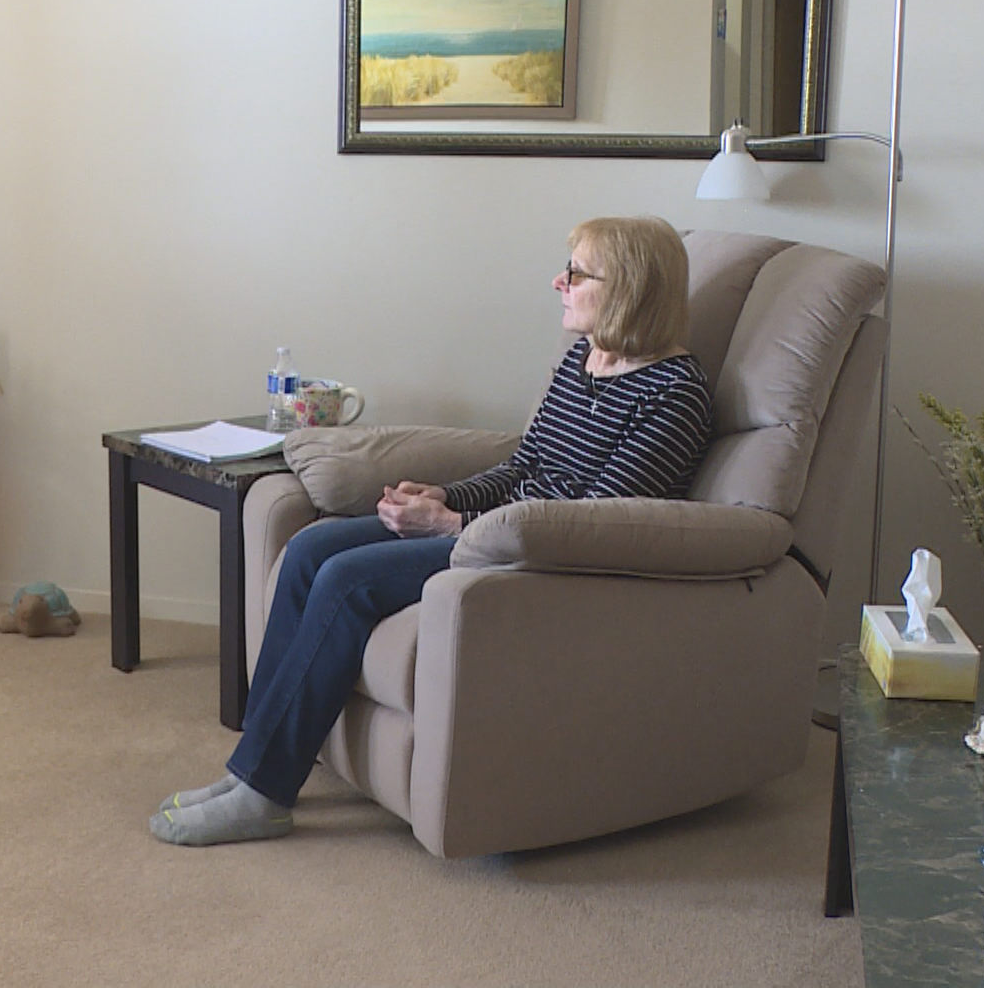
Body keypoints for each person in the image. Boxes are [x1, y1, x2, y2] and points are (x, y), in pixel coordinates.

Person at [150, 216, 715, 847]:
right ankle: (254, 765)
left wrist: (453, 525)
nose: (558, 282)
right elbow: (525, 464)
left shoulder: (675, 393)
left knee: (347, 579)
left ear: (629, 288)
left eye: (577, 273)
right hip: (490, 528)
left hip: (539, 558)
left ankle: (263, 794)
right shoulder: (582, 359)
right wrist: (447, 495)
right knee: (308, 548)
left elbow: (594, 519)